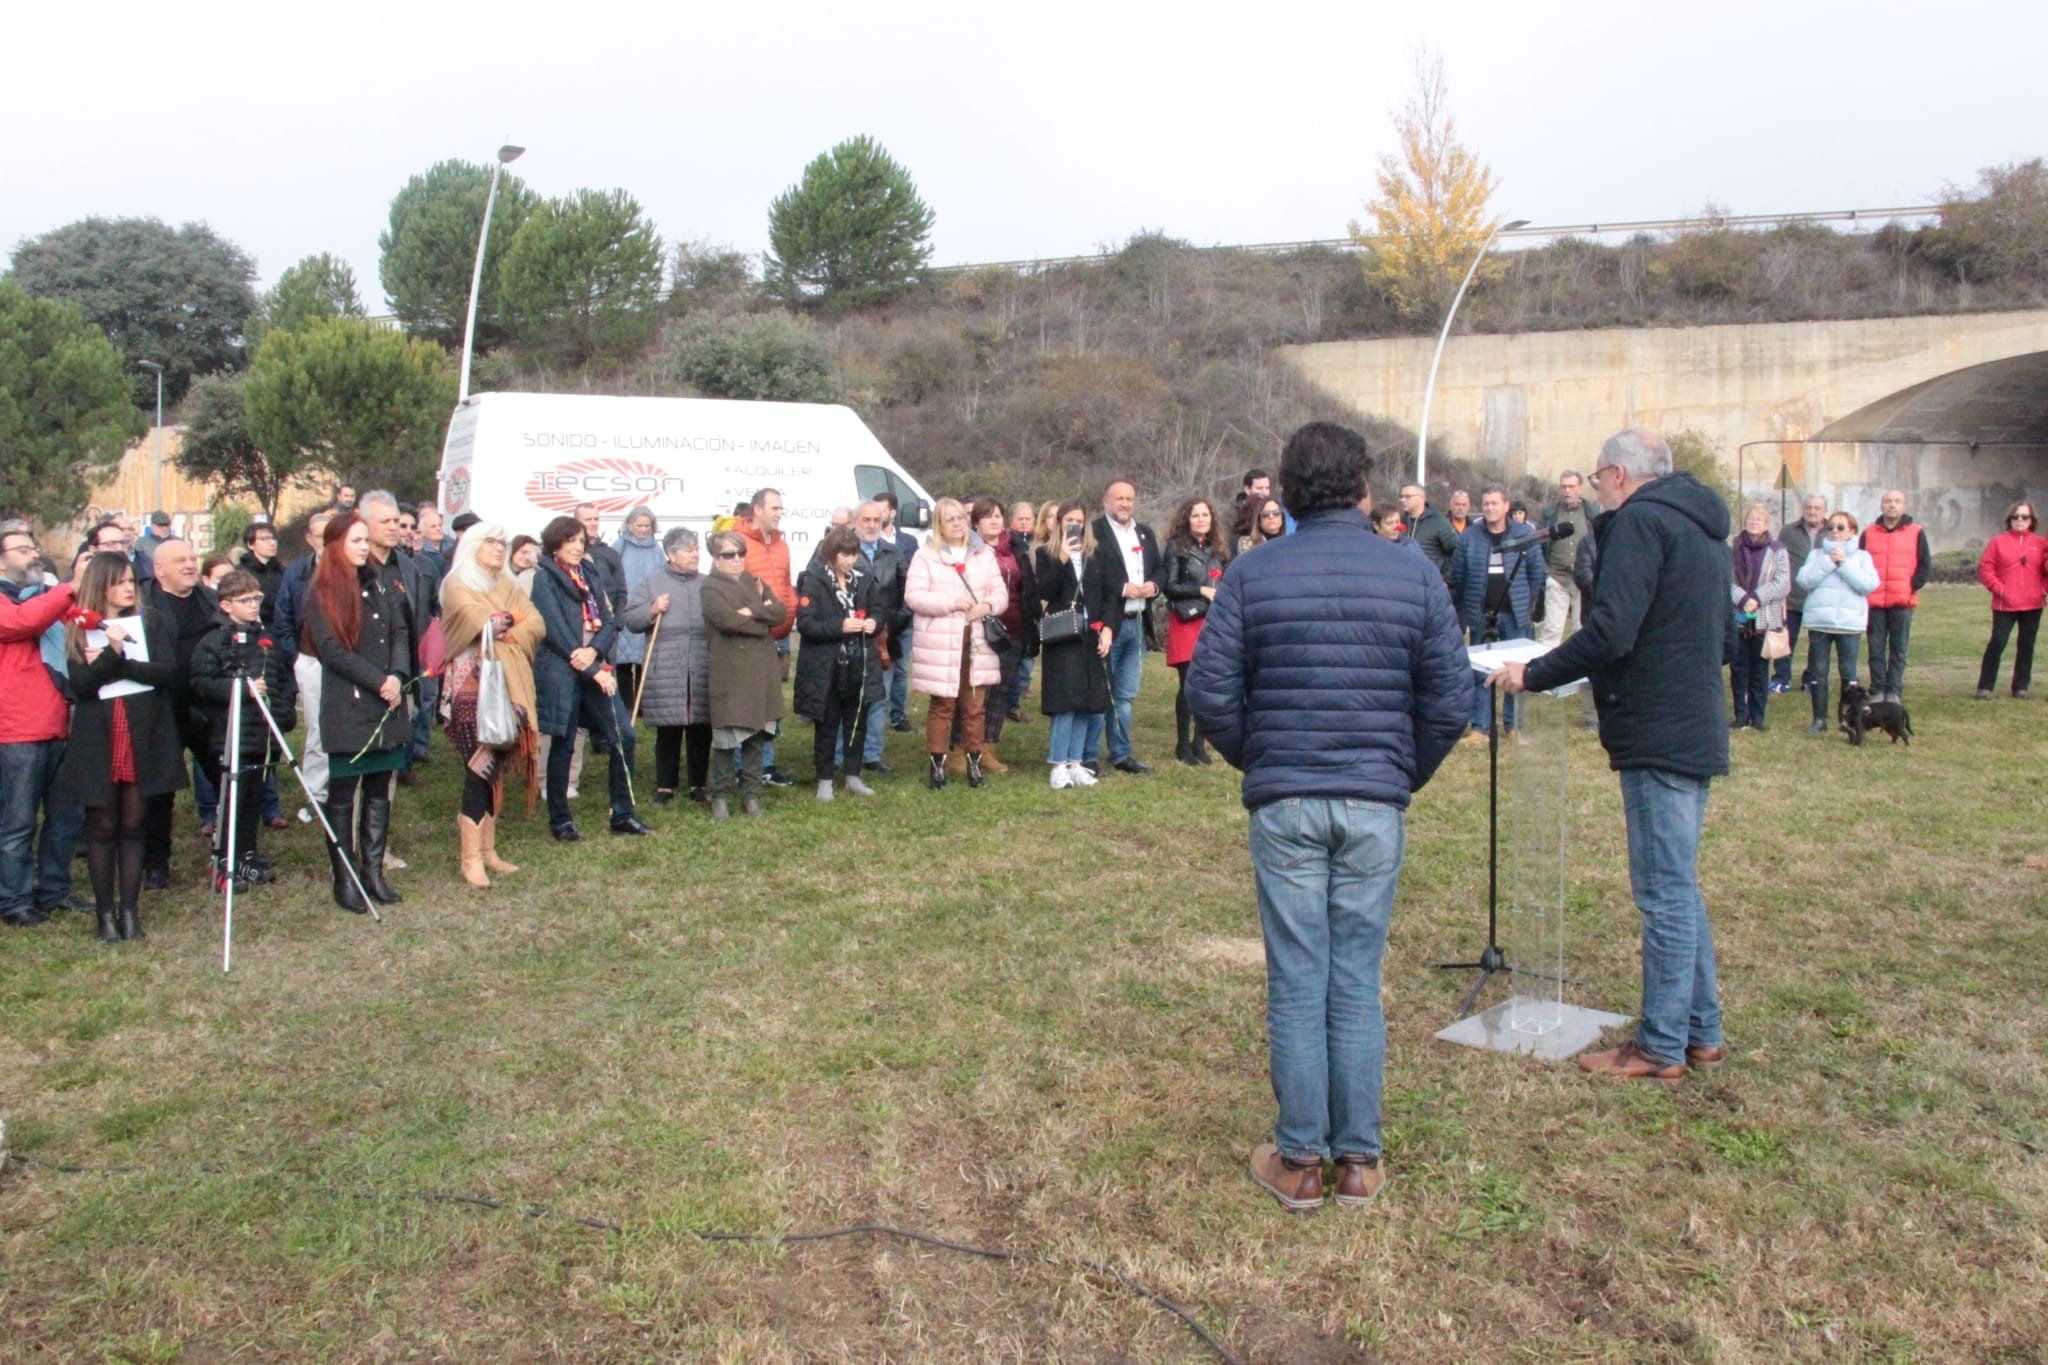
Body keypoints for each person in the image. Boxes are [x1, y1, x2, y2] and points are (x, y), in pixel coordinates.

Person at [1188, 421, 1470, 1213]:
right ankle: (1350, 1160)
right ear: (1363, 489)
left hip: (1295, 798)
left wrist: (1269, 762)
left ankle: (1308, 1155)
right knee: (1353, 977)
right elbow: (1450, 699)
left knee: (1300, 976)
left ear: (1284, 489)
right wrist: (1392, 772)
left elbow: (1211, 692)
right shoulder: (1408, 573)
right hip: (1364, 798)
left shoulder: (1254, 574)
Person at [1489, 428, 1735, 1081]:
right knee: (1678, 882)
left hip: (1658, 725)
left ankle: (1660, 1045)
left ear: (1620, 475)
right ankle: (1700, 1030)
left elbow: (1611, 629)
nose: (1597, 490)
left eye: (1598, 478)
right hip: (1692, 717)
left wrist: (1534, 672)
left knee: (1663, 890)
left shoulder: (1639, 524)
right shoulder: (1704, 528)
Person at [56, 551, 186, 941]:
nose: (129, 588)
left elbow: (166, 672)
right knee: (102, 825)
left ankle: (130, 911)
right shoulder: (80, 627)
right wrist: (109, 655)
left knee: (133, 824)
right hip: (100, 732)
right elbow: (81, 687)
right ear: (102, 585)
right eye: (120, 582)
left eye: (132, 580)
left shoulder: (153, 621)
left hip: (144, 728)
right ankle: (105, 915)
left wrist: (120, 659)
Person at [302, 513, 411, 911]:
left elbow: (401, 631)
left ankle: (373, 871)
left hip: (388, 701)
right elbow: (331, 651)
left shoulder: (379, 582)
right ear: (336, 545)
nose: (364, 547)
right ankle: (344, 878)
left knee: (380, 789)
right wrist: (377, 680)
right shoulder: (321, 591)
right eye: (356, 541)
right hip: (350, 703)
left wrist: (398, 674)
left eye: (366, 540)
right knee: (345, 791)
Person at [530, 515, 650, 841]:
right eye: (570, 541)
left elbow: (609, 621)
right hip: (562, 672)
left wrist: (595, 652)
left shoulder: (590, 572)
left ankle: (622, 813)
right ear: (555, 542)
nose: (576, 547)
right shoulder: (544, 579)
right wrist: (590, 666)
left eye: (581, 541)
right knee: (563, 744)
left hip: (593, 665)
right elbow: (555, 630)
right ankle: (560, 820)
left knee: (624, 736)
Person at [439, 523, 544, 886]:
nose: (500, 549)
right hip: (470, 689)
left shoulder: (506, 584)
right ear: (472, 545)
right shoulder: (456, 584)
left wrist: (507, 626)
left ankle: (488, 851)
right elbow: (478, 622)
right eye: (492, 542)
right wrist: (509, 620)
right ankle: (470, 858)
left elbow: (537, 623)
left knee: (496, 762)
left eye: (503, 543)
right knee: (478, 765)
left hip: (506, 684)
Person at [187, 569, 289, 891]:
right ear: (226, 605)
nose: (253, 605)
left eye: (257, 598)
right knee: (233, 799)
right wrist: (241, 689)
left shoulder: (264, 637)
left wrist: (283, 713)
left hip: (262, 733)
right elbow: (201, 684)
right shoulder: (214, 640)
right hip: (230, 734)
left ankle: (247, 854)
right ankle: (224, 860)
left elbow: (280, 679)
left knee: (254, 799)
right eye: (245, 600)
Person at [0, 521, 78, 929]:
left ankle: (54, 891)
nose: (33, 553)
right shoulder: (22, 602)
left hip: (59, 721)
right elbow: (19, 623)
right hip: (16, 730)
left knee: (65, 817)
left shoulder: (44, 598)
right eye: (21, 548)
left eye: (33, 545)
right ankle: (13, 899)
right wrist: (69, 588)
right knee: (17, 821)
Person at [906, 497, 1008, 789]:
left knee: (975, 707)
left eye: (959, 519)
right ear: (939, 524)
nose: (956, 524)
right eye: (949, 519)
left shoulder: (983, 555)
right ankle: (938, 765)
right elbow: (914, 596)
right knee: (942, 706)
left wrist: (986, 606)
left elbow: (1000, 594)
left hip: (976, 641)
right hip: (941, 641)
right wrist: (950, 603)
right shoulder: (926, 556)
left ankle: (974, 763)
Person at [139, 538, 219, 887]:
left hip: (208, 708)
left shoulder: (211, 600)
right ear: (159, 570)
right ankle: (156, 864)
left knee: (226, 777)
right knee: (158, 792)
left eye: (192, 558)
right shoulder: (144, 607)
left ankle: (234, 853)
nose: (190, 565)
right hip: (163, 709)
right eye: (180, 560)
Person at [700, 529, 788, 818]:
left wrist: (751, 612)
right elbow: (727, 621)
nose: (737, 559)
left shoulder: (755, 581)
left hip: (762, 669)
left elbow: (780, 612)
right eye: (729, 554)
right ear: (715, 559)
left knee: (756, 737)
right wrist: (760, 616)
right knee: (726, 739)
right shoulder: (710, 587)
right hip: (731, 672)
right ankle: (720, 795)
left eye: (740, 554)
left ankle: (751, 795)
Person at [794, 526, 886, 800]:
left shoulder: (864, 579)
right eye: (843, 555)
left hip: (860, 663)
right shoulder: (813, 581)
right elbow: (806, 624)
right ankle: (824, 779)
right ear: (831, 555)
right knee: (827, 723)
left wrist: (874, 622)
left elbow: (879, 610)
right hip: (827, 667)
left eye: (853, 554)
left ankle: (853, 775)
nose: (849, 560)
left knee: (856, 722)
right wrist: (840, 625)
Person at [621, 528, 712, 806]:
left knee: (701, 727)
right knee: (668, 729)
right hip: (666, 661)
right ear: (672, 554)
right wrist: (651, 608)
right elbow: (631, 620)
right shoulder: (653, 582)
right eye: (688, 550)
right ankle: (665, 785)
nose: (695, 554)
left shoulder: (708, 584)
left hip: (701, 659)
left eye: (696, 548)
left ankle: (699, 783)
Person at [1448, 486, 1543, 741]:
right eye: (1486, 503)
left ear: (1505, 506)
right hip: (1482, 613)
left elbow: (1536, 572)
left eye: (1494, 503)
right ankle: (1481, 727)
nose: (1489, 508)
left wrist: (1526, 602)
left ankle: (1513, 726)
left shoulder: (1524, 534)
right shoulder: (1470, 536)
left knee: (1516, 671)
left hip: (1514, 614)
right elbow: (1458, 575)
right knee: (1480, 671)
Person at [1033, 501, 1113, 789]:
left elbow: (1110, 594)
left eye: (1079, 520)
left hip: (1092, 633)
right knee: (1065, 701)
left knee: (1086, 702)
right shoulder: (1046, 554)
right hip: (1063, 633)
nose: (1075, 525)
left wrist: (1108, 629)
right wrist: (1063, 558)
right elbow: (1044, 591)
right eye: (1069, 520)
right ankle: (1057, 764)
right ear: (1059, 523)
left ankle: (1076, 762)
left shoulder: (1097, 554)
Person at [1090, 478, 1164, 774]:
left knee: (1125, 695)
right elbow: (1091, 575)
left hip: (1137, 623)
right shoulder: (1095, 532)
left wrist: (1154, 585)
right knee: (1100, 692)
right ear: (1106, 501)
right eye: (1118, 498)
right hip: (1109, 623)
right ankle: (1088, 755)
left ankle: (1120, 753)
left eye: (1129, 499)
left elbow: (1160, 568)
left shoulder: (1143, 532)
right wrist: (1122, 588)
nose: (1124, 504)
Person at [274, 508, 333, 817]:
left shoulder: (354, 570)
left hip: (345, 662)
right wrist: (295, 656)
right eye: (322, 537)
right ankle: (316, 794)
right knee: (316, 729)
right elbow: (282, 616)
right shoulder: (296, 572)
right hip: (310, 659)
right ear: (310, 539)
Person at [1796, 512, 1879, 734]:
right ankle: (1819, 719)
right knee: (1818, 672)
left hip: (1848, 625)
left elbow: (1867, 585)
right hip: (1819, 623)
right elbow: (1804, 581)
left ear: (1852, 530)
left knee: (1848, 672)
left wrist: (1842, 563)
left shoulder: (1862, 557)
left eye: (1840, 527)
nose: (1834, 531)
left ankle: (1850, 719)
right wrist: (1827, 562)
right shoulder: (1816, 555)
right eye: (1831, 527)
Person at [965, 497, 1032, 769]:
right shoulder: (969, 550)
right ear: (976, 523)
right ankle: (965, 747)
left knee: (1002, 691)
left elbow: (1027, 586)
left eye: (998, 515)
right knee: (976, 691)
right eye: (987, 516)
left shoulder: (1016, 547)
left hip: (1012, 628)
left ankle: (989, 746)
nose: (994, 521)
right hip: (980, 629)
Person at [1163, 495, 1229, 765]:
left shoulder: (1219, 550)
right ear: (1186, 520)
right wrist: (1200, 590)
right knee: (1189, 684)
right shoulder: (1176, 548)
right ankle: (1182, 743)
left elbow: (1228, 581)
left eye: (1205, 515)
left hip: (1212, 620)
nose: (1201, 519)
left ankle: (1199, 742)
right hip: (1187, 619)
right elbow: (1171, 586)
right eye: (1195, 515)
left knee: (1207, 684)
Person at [738, 488, 798, 785]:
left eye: (781, 508)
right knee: (746, 701)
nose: (779, 513)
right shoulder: (738, 544)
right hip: (749, 635)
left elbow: (785, 583)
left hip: (779, 632)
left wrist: (791, 606)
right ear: (757, 510)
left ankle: (767, 764)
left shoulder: (783, 545)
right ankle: (741, 766)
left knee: (771, 702)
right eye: (774, 507)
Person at [1859, 489, 1929, 704]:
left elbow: (1925, 564)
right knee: (1876, 649)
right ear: (1881, 505)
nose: (1892, 505)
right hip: (1875, 602)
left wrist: (1911, 587)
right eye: (1888, 501)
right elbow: (1859, 563)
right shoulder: (1868, 533)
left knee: (1899, 649)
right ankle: (1878, 689)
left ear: (1904, 506)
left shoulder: (1916, 532)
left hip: (1902, 601)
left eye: (1897, 501)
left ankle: (1894, 691)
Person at [1726, 505, 1790, 731]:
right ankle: (1740, 715)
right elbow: (1726, 579)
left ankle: (1758, 716)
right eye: (1752, 518)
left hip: (1762, 615)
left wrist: (1757, 598)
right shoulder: (1733, 547)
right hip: (1741, 615)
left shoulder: (1777, 549)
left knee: (1760, 667)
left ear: (1766, 524)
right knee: (1739, 666)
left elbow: (1783, 582)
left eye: (1760, 519)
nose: (1755, 522)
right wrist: (1743, 599)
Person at [1975, 501, 2046, 700]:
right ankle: (1985, 686)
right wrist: (2000, 589)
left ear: (2032, 521)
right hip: (2004, 604)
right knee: (1997, 641)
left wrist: (2043, 589)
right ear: (2009, 520)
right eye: (2016, 517)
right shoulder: (1998, 542)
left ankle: (2021, 686)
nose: (2020, 521)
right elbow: (1986, 569)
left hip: (2033, 603)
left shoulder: (2041, 543)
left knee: (2026, 644)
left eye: (2025, 517)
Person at [1773, 494, 1829, 694]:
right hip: (1793, 596)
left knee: (1818, 644)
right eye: (1809, 507)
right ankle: (1781, 678)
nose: (1812, 511)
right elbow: (1777, 559)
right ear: (1803, 509)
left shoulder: (1832, 532)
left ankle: (1811, 678)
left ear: (1824, 511)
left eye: (1817, 508)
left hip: (1820, 598)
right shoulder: (1788, 532)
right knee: (1787, 640)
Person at [610, 506, 665, 708]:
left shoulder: (657, 551)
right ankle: (626, 703)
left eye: (647, 526)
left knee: (645, 658)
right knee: (623, 661)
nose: (643, 529)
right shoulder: (619, 546)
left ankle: (642, 705)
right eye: (639, 525)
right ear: (630, 524)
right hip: (626, 608)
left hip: (648, 609)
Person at [1536, 471, 1598, 645]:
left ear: (1580, 488)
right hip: (1557, 578)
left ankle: (1584, 671)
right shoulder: (1550, 514)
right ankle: (1543, 669)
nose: (1567, 491)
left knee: (1583, 629)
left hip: (1584, 580)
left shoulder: (1591, 513)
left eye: (1571, 486)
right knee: (1552, 630)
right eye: (1563, 486)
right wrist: (1545, 572)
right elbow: (1539, 544)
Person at [877, 490, 921, 732]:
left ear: (893, 512)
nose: (879, 514)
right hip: (881, 616)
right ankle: (879, 716)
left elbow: (912, 578)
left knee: (901, 667)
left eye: (883, 509)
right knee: (884, 666)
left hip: (903, 615)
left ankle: (898, 714)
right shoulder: (869, 541)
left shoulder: (908, 543)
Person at [1003, 500, 1041, 723]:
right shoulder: (1009, 543)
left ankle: (1015, 700)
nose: (1025, 523)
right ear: (1012, 521)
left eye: (1029, 519)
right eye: (1021, 519)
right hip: (1015, 608)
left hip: (1033, 608)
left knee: (1027, 659)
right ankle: (1009, 702)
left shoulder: (1038, 544)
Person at [575, 503, 627, 614]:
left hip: (608, 623)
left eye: (596, 519)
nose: (593, 523)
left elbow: (622, 592)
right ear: (576, 522)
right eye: (588, 520)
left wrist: (617, 623)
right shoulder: (569, 553)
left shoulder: (611, 554)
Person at [1399, 484, 1459, 578]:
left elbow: (1457, 551)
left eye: (1407, 496)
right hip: (1406, 582)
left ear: (1421, 498)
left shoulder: (1438, 521)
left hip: (1430, 584)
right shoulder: (1400, 521)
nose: (1402, 500)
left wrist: (1447, 579)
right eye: (1401, 496)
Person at [237, 523, 285, 623]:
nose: (272, 543)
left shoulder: (282, 570)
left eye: (273, 538)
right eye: (265, 539)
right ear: (250, 544)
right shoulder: (241, 574)